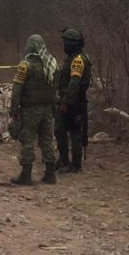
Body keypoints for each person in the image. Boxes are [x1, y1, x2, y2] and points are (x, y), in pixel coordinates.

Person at [8, 35, 59, 186]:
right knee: (47, 140)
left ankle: (26, 175)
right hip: (48, 109)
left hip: (30, 109)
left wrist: (13, 110)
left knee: (27, 140)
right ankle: (50, 174)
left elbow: (16, 89)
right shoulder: (52, 63)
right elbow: (56, 86)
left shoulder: (26, 65)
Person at [55, 27, 92, 173]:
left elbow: (74, 83)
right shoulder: (73, 58)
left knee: (75, 131)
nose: (64, 45)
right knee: (60, 130)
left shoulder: (78, 60)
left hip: (74, 101)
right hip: (69, 99)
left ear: (72, 44)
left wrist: (65, 102)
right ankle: (64, 159)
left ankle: (76, 165)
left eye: (66, 42)